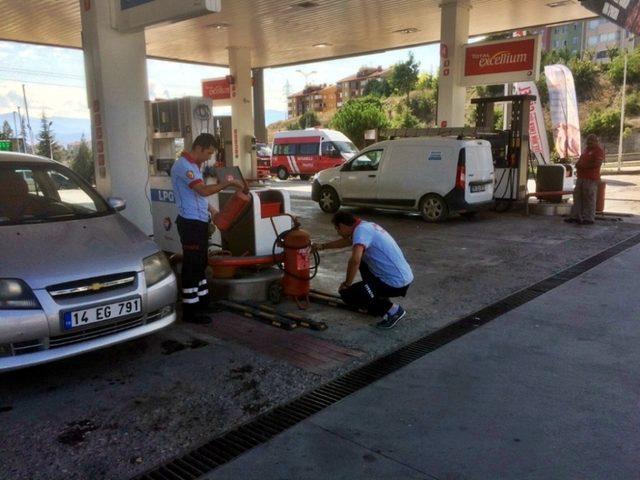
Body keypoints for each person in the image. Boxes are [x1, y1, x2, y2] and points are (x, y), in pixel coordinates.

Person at [171, 133, 244, 324]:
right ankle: (190, 310)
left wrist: (211, 210)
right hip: (190, 223)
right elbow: (202, 190)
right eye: (209, 153)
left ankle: (203, 302)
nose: (210, 157)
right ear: (199, 148)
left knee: (201, 262)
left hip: (200, 220)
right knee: (192, 265)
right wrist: (227, 183)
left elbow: (199, 196)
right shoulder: (183, 166)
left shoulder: (195, 166)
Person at [314, 212, 413, 329]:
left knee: (348, 294)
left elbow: (354, 260)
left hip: (396, 282)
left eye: (337, 229)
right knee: (363, 263)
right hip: (403, 277)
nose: (338, 233)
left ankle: (393, 310)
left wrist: (347, 284)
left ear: (342, 225)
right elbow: (347, 242)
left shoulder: (361, 231)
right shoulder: (365, 226)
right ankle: (378, 300)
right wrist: (321, 246)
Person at [565, 134, 604, 225]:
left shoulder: (598, 151)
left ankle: (589, 218)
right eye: (588, 140)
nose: (589, 142)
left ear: (596, 142)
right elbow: (581, 160)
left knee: (589, 198)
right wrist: (578, 164)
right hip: (581, 177)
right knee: (577, 197)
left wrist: (584, 166)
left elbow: (597, 164)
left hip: (591, 178)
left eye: (591, 141)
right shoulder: (586, 150)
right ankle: (575, 216)